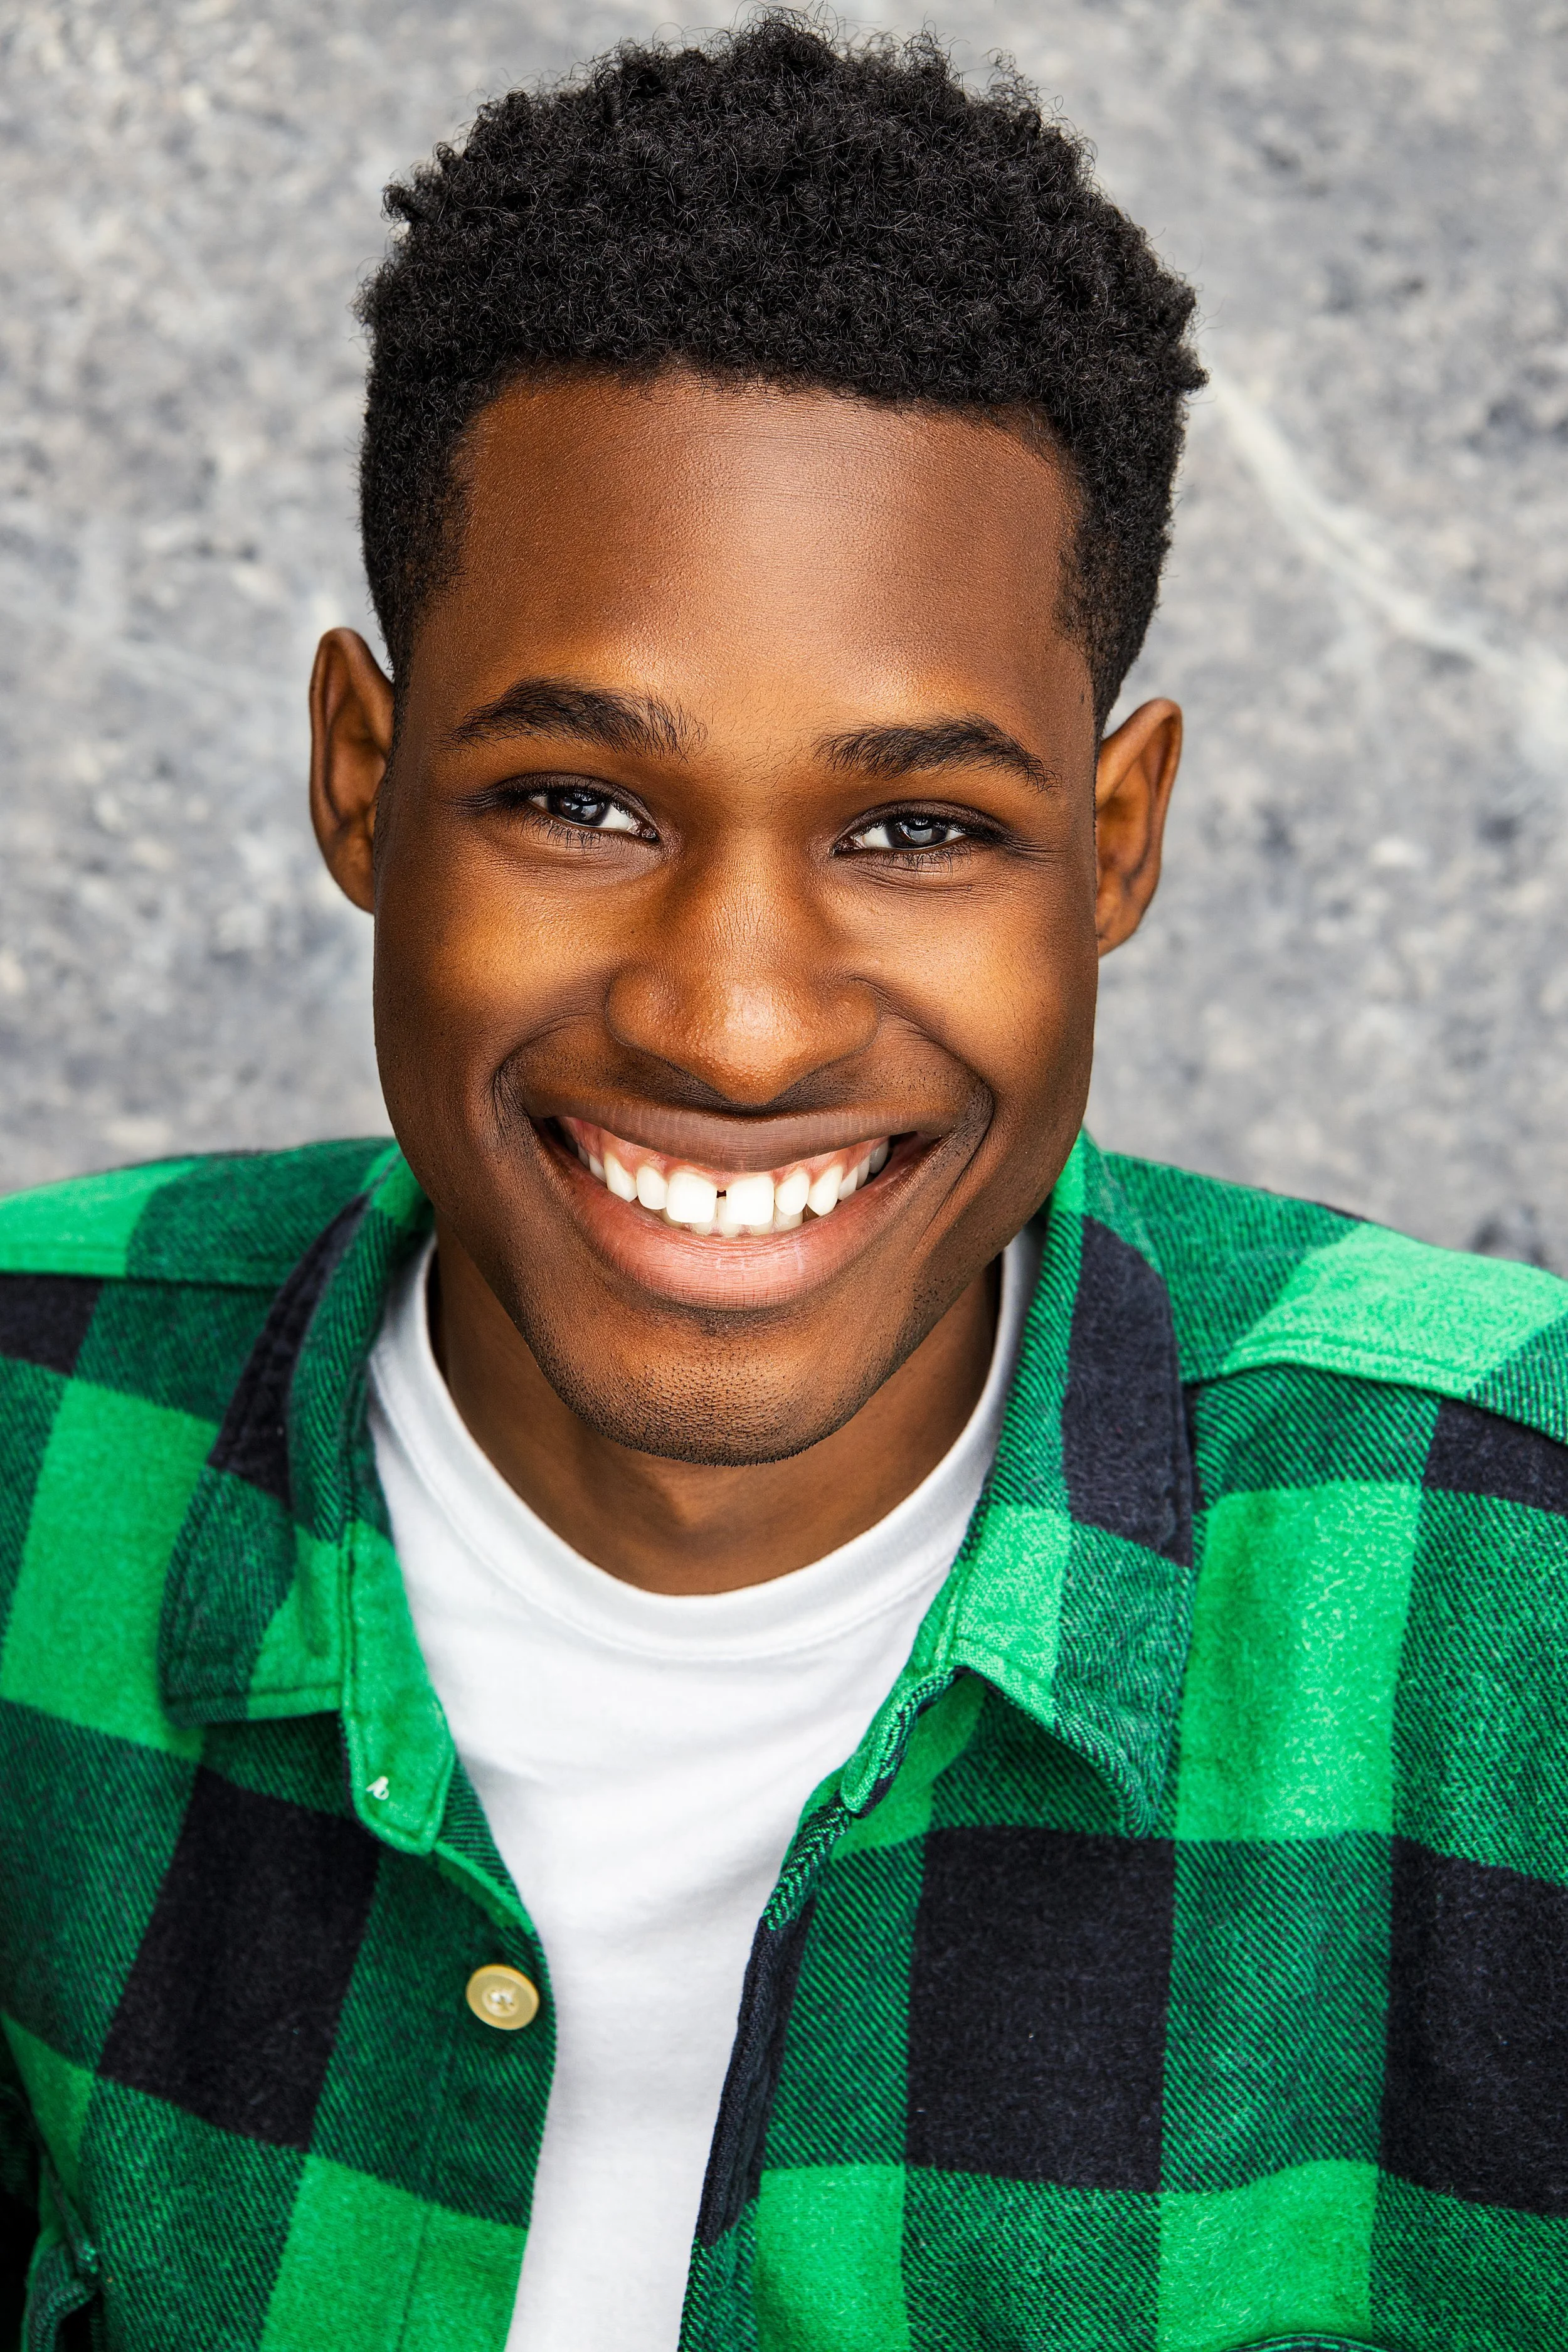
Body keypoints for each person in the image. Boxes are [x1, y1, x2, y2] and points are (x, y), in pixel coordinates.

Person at [3, 18, 1567, 2351]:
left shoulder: (1501, 1576)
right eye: (575, 802)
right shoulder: (35, 1431)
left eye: (918, 831)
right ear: (361, 776)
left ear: (1109, 845)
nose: (733, 1022)